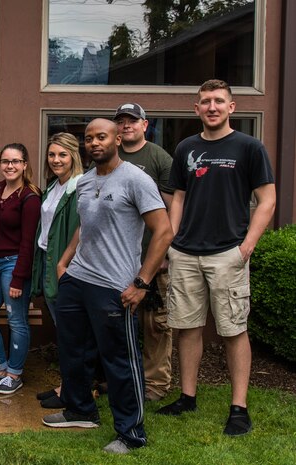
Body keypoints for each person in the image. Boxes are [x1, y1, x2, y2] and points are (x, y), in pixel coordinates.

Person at [41, 119, 172, 455]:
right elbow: (85, 226)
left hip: (114, 285)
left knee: (119, 360)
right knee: (73, 350)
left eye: (102, 137)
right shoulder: (84, 183)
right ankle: (80, 409)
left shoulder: (136, 180)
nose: (95, 143)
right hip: (78, 279)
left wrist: (142, 283)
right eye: (89, 138)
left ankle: (131, 432)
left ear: (117, 139)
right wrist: (64, 262)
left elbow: (163, 231)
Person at [156, 79, 276, 437]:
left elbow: (266, 199)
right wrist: (172, 239)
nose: (212, 107)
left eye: (218, 101)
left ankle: (239, 407)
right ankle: (187, 396)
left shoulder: (249, 147)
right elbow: (177, 196)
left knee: (233, 330)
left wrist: (247, 246)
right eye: (205, 101)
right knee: (187, 327)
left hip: (228, 252)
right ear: (196, 109)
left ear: (231, 107)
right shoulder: (185, 148)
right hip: (186, 252)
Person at [114, 103, 175, 402]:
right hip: (118, 256)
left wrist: (166, 251)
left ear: (144, 125)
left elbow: (174, 207)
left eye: (132, 121)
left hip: (152, 257)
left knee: (154, 324)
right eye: (121, 121)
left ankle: (156, 383)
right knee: (118, 321)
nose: (126, 126)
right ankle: (124, 377)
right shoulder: (110, 155)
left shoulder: (158, 157)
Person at [0, 144, 40, 395]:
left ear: (25, 165)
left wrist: (19, 279)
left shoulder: (30, 197)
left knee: (16, 320)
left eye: (15, 161)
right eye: (5, 161)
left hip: (14, 265)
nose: (9, 166)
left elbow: (28, 242)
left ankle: (14, 373)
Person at [31, 133, 83, 408]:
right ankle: (67, 384)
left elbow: (82, 230)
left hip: (69, 268)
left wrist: (64, 262)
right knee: (62, 331)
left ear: (74, 155)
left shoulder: (80, 187)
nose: (56, 160)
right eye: (52, 155)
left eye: (62, 154)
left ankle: (76, 391)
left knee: (73, 333)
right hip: (49, 265)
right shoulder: (53, 187)